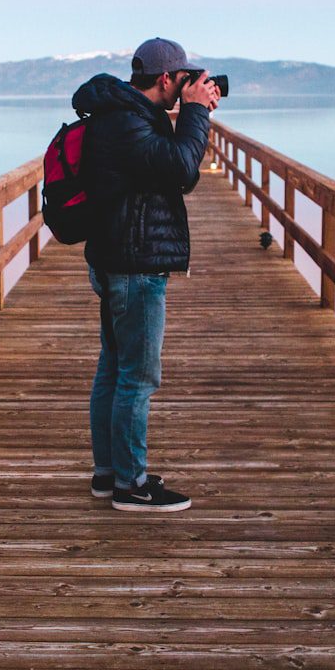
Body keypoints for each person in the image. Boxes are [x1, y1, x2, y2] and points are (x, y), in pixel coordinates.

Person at [70, 37, 221, 512]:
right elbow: (179, 165)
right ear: (165, 80)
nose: (189, 88)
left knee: (115, 371)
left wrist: (191, 119)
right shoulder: (126, 122)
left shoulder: (129, 116)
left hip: (119, 258)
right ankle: (130, 486)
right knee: (137, 378)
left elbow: (182, 172)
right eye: (184, 81)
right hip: (134, 266)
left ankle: (108, 473)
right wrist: (197, 114)